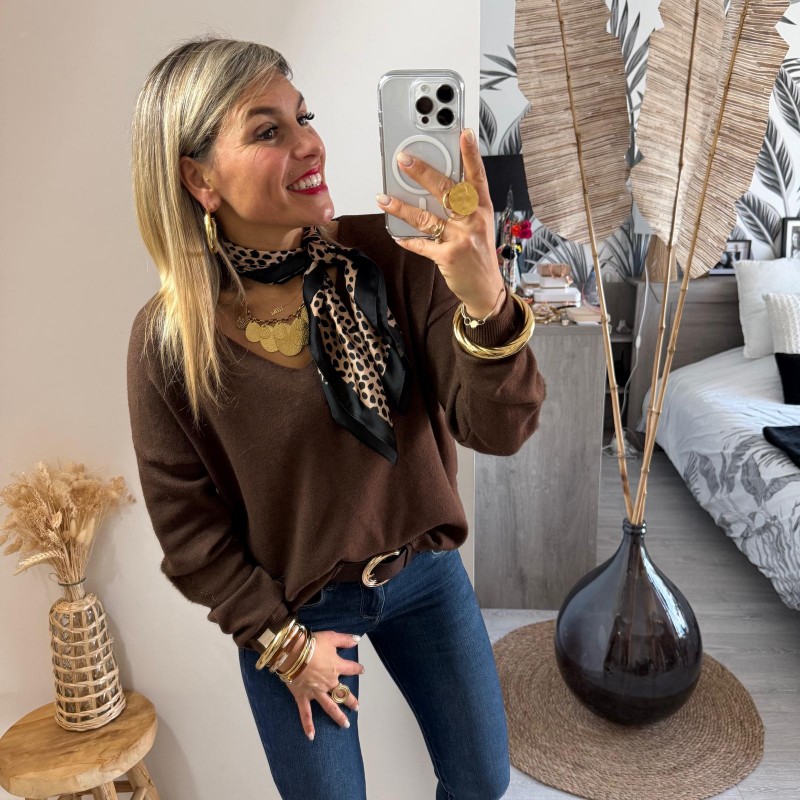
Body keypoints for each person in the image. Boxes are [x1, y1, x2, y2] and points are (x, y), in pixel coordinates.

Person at [126, 36, 545, 800]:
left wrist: (486, 299)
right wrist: (285, 648)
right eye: (268, 130)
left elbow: (499, 429)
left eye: (304, 117)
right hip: (296, 613)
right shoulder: (169, 342)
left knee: (482, 780)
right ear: (197, 178)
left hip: (425, 575)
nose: (309, 143)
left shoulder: (398, 255)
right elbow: (190, 532)